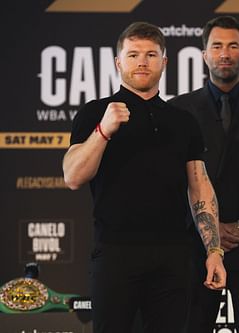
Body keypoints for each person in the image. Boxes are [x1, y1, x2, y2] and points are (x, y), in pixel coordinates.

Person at [62, 21, 226, 333]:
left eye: (151, 55)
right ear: (118, 62)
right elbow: (72, 176)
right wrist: (103, 131)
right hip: (115, 254)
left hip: (173, 255)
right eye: (133, 54)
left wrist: (214, 251)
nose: (142, 61)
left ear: (164, 62)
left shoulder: (182, 120)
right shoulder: (95, 112)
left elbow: (200, 187)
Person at [169, 15, 239, 333]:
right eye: (217, 46)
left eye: (233, 46)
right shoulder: (179, 110)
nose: (225, 53)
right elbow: (172, 181)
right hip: (195, 247)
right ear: (204, 54)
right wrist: (211, 229)